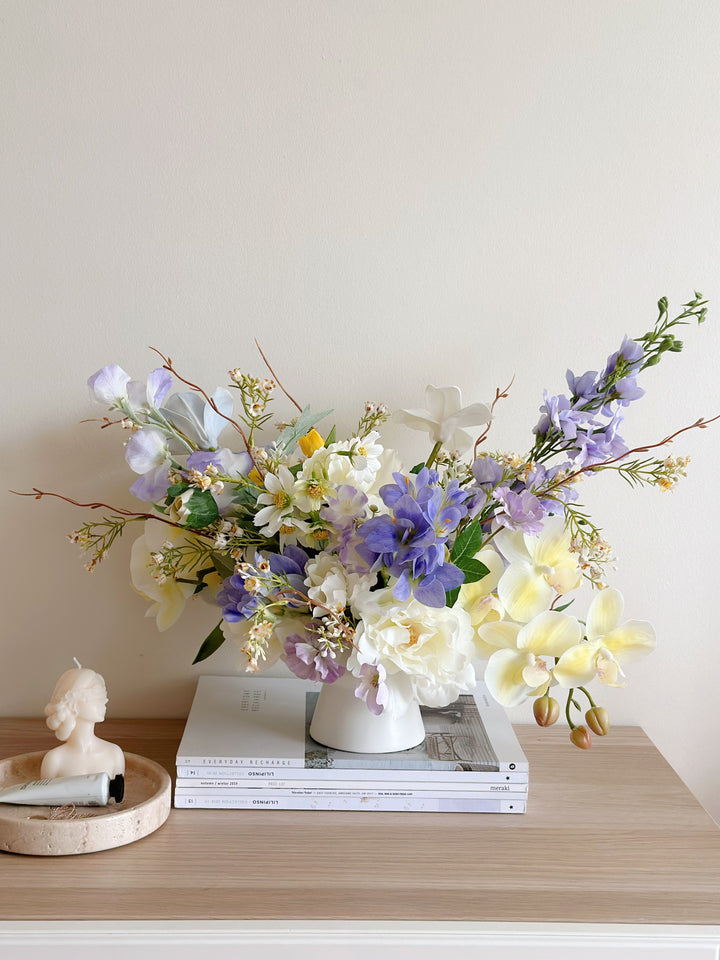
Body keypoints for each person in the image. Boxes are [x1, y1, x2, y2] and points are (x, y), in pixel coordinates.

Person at [40, 666, 125, 779]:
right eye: (96, 695)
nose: (104, 701)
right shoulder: (55, 760)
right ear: (73, 704)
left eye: (103, 695)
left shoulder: (114, 754)